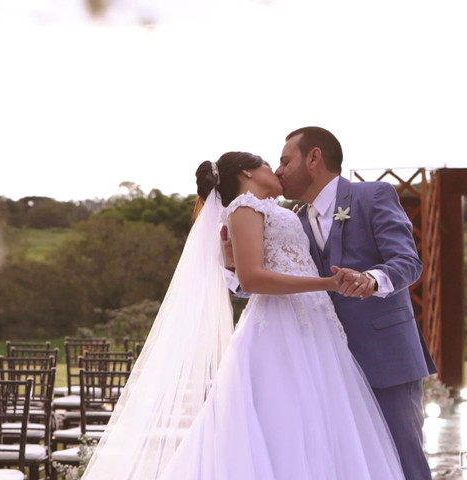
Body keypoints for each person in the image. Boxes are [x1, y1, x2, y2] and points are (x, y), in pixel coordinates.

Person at [82, 152, 404, 479]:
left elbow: (259, 271)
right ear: (248, 171)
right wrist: (327, 283)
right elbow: (253, 278)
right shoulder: (243, 208)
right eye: (268, 163)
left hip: (315, 323)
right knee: (285, 418)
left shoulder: (274, 210)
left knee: (321, 418)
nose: (276, 169)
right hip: (281, 328)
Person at [270, 126, 438, 480]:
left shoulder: (373, 195)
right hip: (328, 366)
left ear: (314, 157)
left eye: (285, 160)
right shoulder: (295, 221)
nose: (279, 170)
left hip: (386, 359)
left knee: (403, 461)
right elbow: (283, 282)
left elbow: (408, 262)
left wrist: (371, 280)